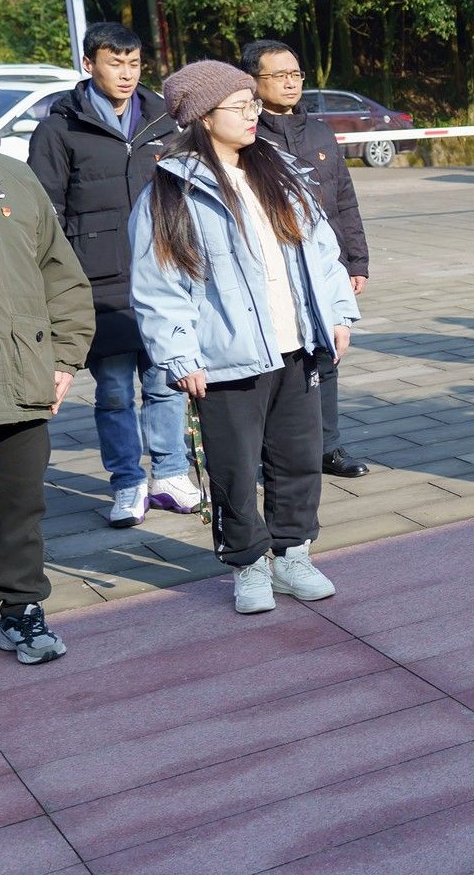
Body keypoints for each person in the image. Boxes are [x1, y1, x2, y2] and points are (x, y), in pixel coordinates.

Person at [129, 61, 360, 614]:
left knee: (298, 458)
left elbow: (322, 250)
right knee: (233, 468)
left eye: (253, 103)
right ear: (204, 118)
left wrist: (337, 313)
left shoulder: (281, 171)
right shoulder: (171, 192)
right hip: (225, 358)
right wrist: (179, 355)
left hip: (296, 345)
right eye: (240, 106)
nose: (254, 114)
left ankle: (293, 554)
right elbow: (158, 286)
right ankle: (249, 564)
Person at [27, 24, 195, 527]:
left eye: (134, 63)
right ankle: (127, 482)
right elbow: (46, 215)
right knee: (116, 390)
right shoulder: (59, 129)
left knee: (166, 381)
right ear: (88, 64)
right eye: (115, 63)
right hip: (97, 285)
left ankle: (171, 474)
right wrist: (57, 285)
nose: (126, 74)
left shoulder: (164, 120)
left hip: (163, 275)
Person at [0, 68, 94, 681]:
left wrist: (63, 358)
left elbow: (61, 275)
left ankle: (22, 611)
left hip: (18, 382)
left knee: (19, 511)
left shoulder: (10, 176)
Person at [242, 40, 372, 477]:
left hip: (324, 266)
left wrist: (356, 261)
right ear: (253, 82)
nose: (290, 82)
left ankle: (326, 447)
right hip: (271, 269)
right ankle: (268, 454)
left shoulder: (319, 133)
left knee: (327, 354)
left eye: (295, 74)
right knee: (277, 362)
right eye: (278, 75)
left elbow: (344, 201)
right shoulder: (246, 136)